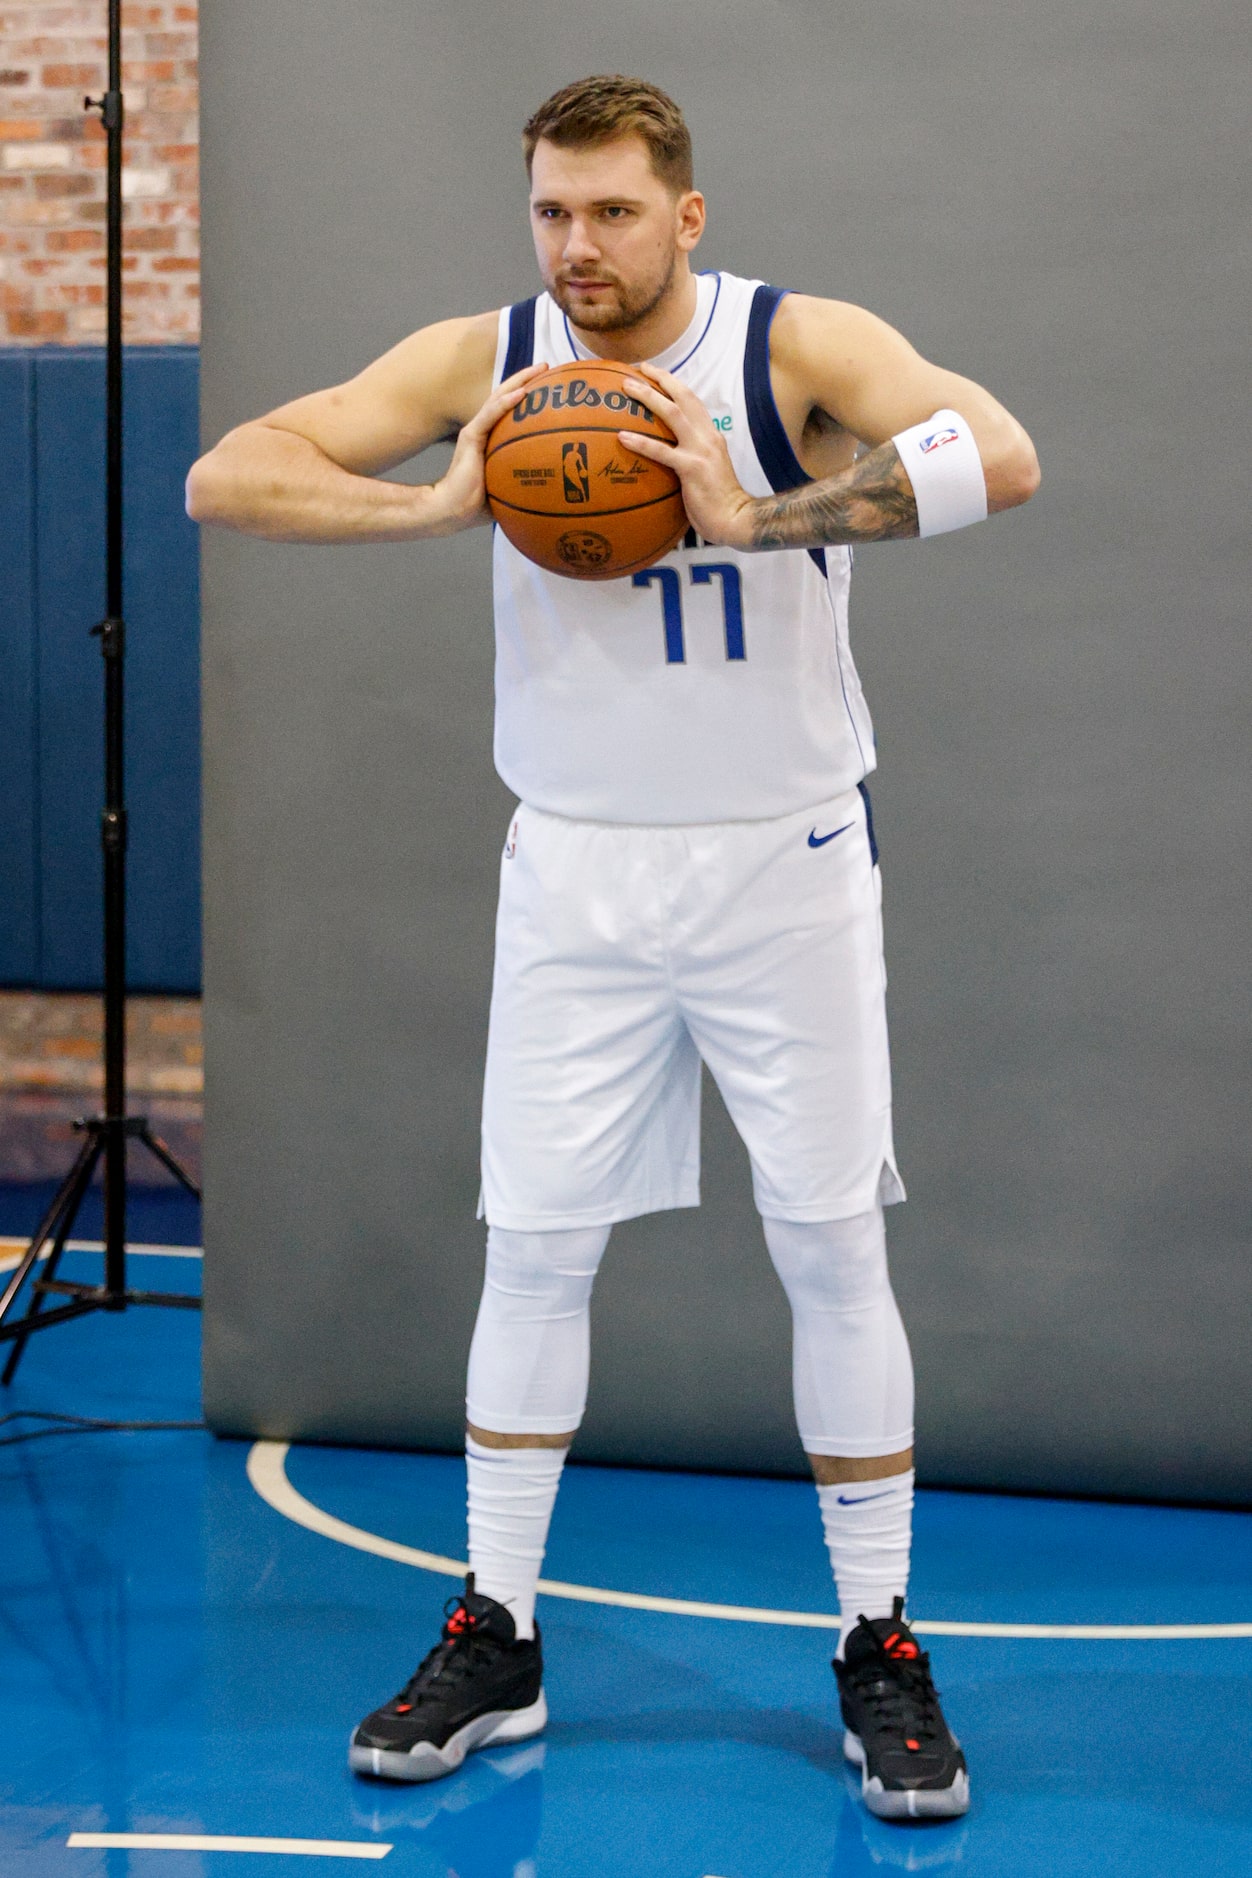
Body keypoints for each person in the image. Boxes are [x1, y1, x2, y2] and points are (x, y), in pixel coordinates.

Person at [187, 74, 1039, 1823]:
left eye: (614, 213)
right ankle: (498, 1626)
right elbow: (231, 473)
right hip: (574, 870)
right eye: (552, 214)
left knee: (826, 1252)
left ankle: (879, 1640)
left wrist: (759, 514)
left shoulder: (796, 344)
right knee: (536, 1249)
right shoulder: (487, 362)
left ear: (687, 216)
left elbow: (1001, 452)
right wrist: (432, 506)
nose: (579, 249)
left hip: (785, 867)